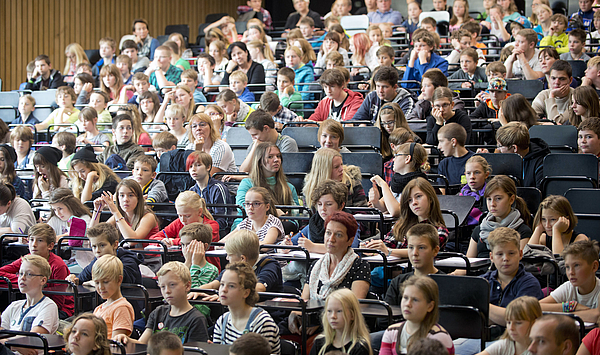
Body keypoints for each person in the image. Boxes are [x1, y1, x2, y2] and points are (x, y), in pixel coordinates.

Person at [286, 211, 370, 336]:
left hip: (341, 329)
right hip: (311, 322)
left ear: (350, 241)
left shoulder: (360, 266)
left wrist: (321, 324)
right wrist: (294, 313)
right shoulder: (316, 266)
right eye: (328, 233)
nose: (331, 239)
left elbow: (354, 309)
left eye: (339, 235)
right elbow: (304, 300)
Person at [113, 262, 209, 344]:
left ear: (187, 286)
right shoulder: (158, 312)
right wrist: (126, 339)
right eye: (162, 287)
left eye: (172, 285)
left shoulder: (196, 319)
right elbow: (142, 344)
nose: (167, 291)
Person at [0, 224, 73, 318]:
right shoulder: (26, 259)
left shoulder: (58, 265)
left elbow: (58, 302)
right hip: (33, 304)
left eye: (40, 240)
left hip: (60, 309)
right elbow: (1, 273)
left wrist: (32, 282)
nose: (34, 244)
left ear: (50, 245)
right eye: (31, 240)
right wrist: (24, 279)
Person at [367, 178, 448, 258]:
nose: (414, 203)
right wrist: (373, 248)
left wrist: (389, 251)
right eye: (410, 200)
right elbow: (387, 244)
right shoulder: (401, 224)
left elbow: (422, 252)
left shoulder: (440, 229)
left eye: (418, 196)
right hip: (388, 269)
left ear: (430, 198)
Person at [213, 262, 281, 354]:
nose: (223, 290)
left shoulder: (262, 322)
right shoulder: (222, 321)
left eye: (231, 286)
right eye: (222, 284)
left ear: (246, 292)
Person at [482, 228, 544, 327]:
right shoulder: (482, 282)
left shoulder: (529, 283)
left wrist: (482, 306)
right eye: (499, 254)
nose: (505, 259)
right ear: (492, 257)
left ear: (520, 254)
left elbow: (517, 321)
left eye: (511, 253)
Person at [379, 276, 455, 355]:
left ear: (430, 306)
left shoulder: (439, 337)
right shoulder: (392, 331)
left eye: (415, 300)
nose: (408, 304)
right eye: (405, 298)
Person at [465, 175, 532, 260]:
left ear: (511, 199)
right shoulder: (479, 230)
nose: (492, 204)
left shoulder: (522, 231)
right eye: (489, 199)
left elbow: (517, 264)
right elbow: (467, 265)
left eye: (498, 198)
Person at [195, 229, 283, 294]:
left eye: (229, 255)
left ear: (242, 259)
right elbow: (214, 284)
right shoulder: (234, 268)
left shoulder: (268, 264)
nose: (227, 258)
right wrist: (196, 291)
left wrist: (226, 295)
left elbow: (260, 288)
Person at [148, 191, 221, 269]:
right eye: (179, 215)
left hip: (206, 270)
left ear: (199, 212)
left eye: (187, 216)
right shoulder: (178, 222)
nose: (183, 220)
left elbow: (194, 241)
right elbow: (154, 238)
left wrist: (173, 242)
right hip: (179, 266)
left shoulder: (212, 225)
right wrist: (163, 241)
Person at [539, 240, 600, 322]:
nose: (571, 272)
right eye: (567, 267)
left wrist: (563, 315)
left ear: (594, 267)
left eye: (576, 265)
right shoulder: (568, 287)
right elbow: (537, 307)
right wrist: (570, 306)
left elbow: (597, 315)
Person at [66, 223, 143, 286]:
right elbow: (82, 278)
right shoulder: (98, 260)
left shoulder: (129, 261)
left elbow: (116, 283)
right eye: (94, 246)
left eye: (102, 245)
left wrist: (93, 283)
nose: (97, 251)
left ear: (115, 245)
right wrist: (74, 279)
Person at [0, 254, 59, 335]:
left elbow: (32, 342)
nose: (22, 278)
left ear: (43, 280)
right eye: (20, 274)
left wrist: (4, 341)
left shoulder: (48, 306)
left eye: (29, 274)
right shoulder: (14, 306)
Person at [90, 178, 159, 243]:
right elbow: (95, 235)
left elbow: (132, 241)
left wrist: (115, 211)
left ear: (138, 198)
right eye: (122, 195)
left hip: (146, 255)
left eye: (131, 195)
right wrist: (97, 211)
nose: (125, 199)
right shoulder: (119, 216)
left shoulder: (148, 217)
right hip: (127, 255)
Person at [369, 143, 429, 217]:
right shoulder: (397, 180)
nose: (393, 159)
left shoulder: (417, 183)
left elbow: (396, 211)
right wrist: (375, 201)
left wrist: (383, 185)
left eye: (396, 156)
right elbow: (384, 206)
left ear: (407, 159)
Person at [310, 289, 373, 355]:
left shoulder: (360, 348)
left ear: (352, 315)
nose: (333, 316)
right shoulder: (320, 343)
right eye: (329, 311)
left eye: (339, 311)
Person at [303, 148, 367, 210]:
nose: (341, 169)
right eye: (336, 167)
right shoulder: (309, 189)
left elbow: (363, 214)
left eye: (341, 164)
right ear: (325, 170)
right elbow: (307, 217)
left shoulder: (353, 183)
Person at [477, 296, 542, 355]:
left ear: (534, 323)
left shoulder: (542, 350)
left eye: (518, 323)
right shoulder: (505, 344)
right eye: (508, 322)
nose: (511, 328)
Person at [47, 188, 93, 270]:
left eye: (60, 208)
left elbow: (76, 234)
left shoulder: (84, 219)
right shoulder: (54, 220)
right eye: (54, 210)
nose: (57, 213)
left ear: (70, 205)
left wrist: (55, 238)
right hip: (62, 261)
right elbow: (45, 235)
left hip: (82, 262)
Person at [91, 255, 134, 339]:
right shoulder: (98, 309)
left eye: (105, 282)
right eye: (96, 283)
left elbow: (116, 343)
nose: (101, 287)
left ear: (119, 280)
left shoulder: (121, 308)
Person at [495, 122, 550, 189]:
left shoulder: (541, 163)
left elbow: (539, 194)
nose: (498, 149)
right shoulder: (508, 158)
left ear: (514, 148)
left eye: (500, 146)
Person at [436, 123, 474, 187]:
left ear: (453, 142)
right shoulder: (444, 164)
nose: (438, 147)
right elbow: (442, 193)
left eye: (441, 141)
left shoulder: (475, 160)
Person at [460, 156, 491, 226]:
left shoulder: (491, 196)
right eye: (468, 173)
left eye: (477, 172)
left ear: (486, 175)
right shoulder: (460, 196)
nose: (472, 177)